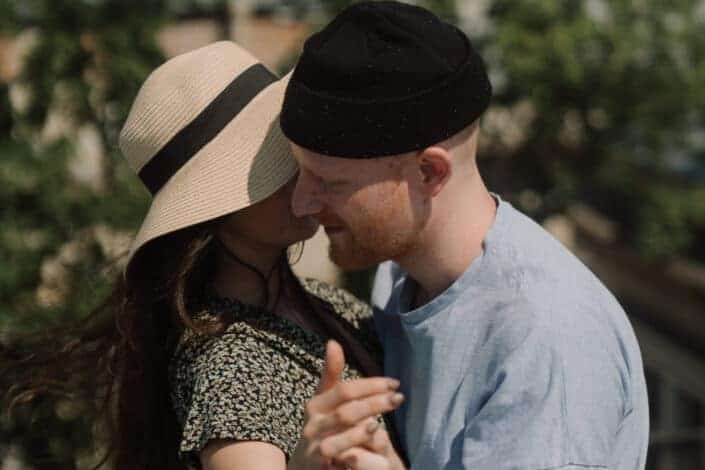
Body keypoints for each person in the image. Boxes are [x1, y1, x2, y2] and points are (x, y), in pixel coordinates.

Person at [2, 41, 407, 470]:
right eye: (269, 160)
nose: (297, 167)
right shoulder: (230, 361)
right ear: (215, 207)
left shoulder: (327, 303)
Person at [280, 2, 650, 469]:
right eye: (302, 172)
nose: (301, 204)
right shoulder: (398, 278)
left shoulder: (542, 337)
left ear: (430, 172)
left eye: (331, 182)